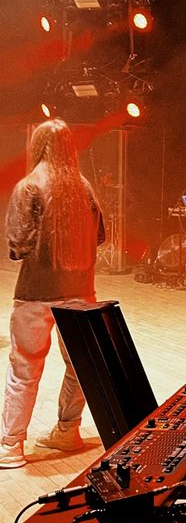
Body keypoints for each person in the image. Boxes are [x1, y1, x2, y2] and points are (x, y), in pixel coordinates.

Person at [0, 118, 105, 469]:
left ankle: (12, 446)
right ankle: (67, 430)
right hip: (80, 290)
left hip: (36, 293)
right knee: (79, 365)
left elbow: (17, 245)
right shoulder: (84, 186)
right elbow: (101, 236)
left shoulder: (29, 186)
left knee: (25, 369)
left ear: (38, 145)